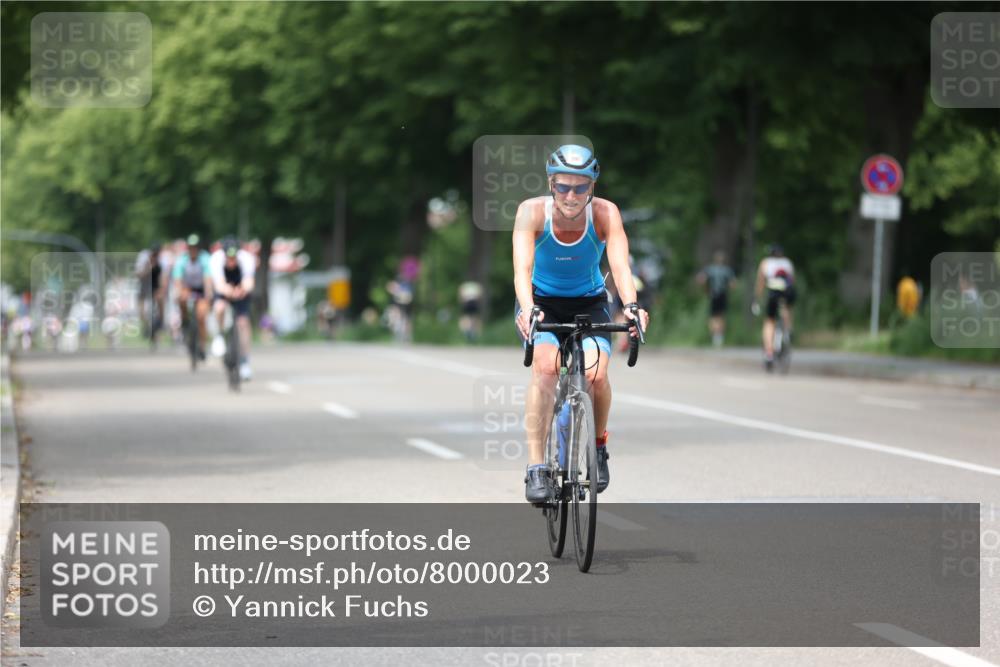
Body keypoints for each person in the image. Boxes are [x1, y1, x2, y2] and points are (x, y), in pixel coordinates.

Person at [513, 144, 649, 503]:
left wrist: (632, 307)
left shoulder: (605, 214)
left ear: (592, 187)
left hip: (589, 300)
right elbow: (522, 270)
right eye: (563, 187)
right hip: (540, 301)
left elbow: (620, 267)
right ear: (551, 183)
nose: (571, 195)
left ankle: (599, 446)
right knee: (544, 370)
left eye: (580, 187)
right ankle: (536, 466)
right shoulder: (531, 212)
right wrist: (528, 310)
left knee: (596, 376)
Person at [210, 237, 256, 381]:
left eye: (234, 257)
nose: (231, 260)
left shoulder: (247, 259)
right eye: (228, 257)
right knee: (219, 308)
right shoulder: (216, 259)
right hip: (224, 288)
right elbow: (219, 284)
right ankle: (220, 334)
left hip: (240, 289)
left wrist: (242, 290)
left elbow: (249, 282)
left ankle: (245, 362)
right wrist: (229, 291)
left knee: (243, 322)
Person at [753, 244, 795, 371]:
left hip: (773, 293)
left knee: (770, 321)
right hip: (787, 293)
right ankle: (787, 331)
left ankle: (769, 353)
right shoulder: (787, 263)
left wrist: (757, 298)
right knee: (786, 309)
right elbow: (792, 280)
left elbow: (760, 282)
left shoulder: (766, 263)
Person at [172, 234, 213, 360]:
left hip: (201, 288)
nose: (193, 250)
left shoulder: (205, 258)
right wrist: (179, 292)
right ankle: (185, 321)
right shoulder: (182, 260)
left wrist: (208, 294)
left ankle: (201, 346)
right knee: (181, 298)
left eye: (195, 247)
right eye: (191, 247)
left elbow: (207, 278)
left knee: (201, 316)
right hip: (187, 288)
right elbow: (178, 279)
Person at [697, 250, 736, 347]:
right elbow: (733, 284)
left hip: (714, 294)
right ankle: (718, 337)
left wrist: (706, 289)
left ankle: (715, 336)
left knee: (714, 316)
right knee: (720, 316)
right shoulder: (726, 270)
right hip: (722, 294)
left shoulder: (711, 269)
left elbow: (701, 279)